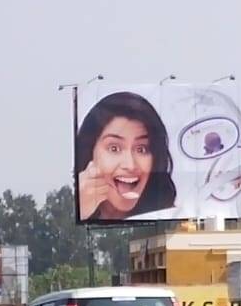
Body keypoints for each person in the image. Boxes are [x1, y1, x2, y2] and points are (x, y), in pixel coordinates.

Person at [75, 92, 176, 221]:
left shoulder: (171, 219)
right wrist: (79, 209)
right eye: (114, 148)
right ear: (89, 152)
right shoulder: (66, 207)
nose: (130, 165)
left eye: (141, 149)